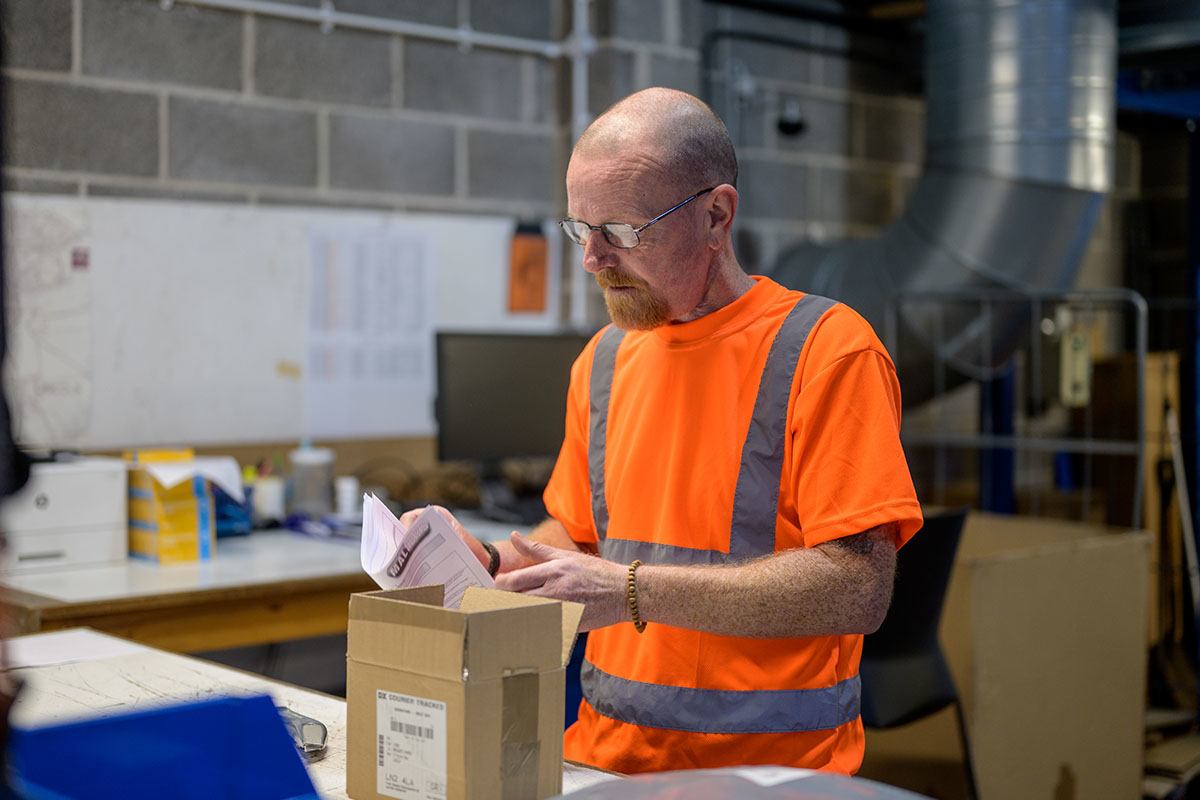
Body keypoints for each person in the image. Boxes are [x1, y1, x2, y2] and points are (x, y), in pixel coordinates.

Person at [403, 87, 922, 775]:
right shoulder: (604, 362)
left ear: (716, 215)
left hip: (770, 778)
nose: (592, 258)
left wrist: (629, 592)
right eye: (579, 228)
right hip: (604, 765)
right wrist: (493, 560)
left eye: (620, 231)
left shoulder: (827, 352)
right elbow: (582, 541)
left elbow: (859, 588)